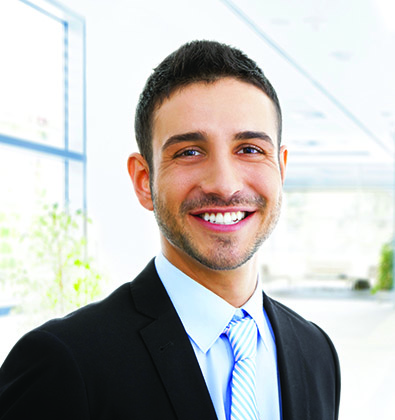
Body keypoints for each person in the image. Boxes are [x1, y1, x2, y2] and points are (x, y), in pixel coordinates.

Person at [0, 40, 340, 420]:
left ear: (281, 168)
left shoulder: (316, 352)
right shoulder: (65, 362)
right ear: (144, 180)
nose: (225, 185)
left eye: (249, 149)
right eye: (189, 152)